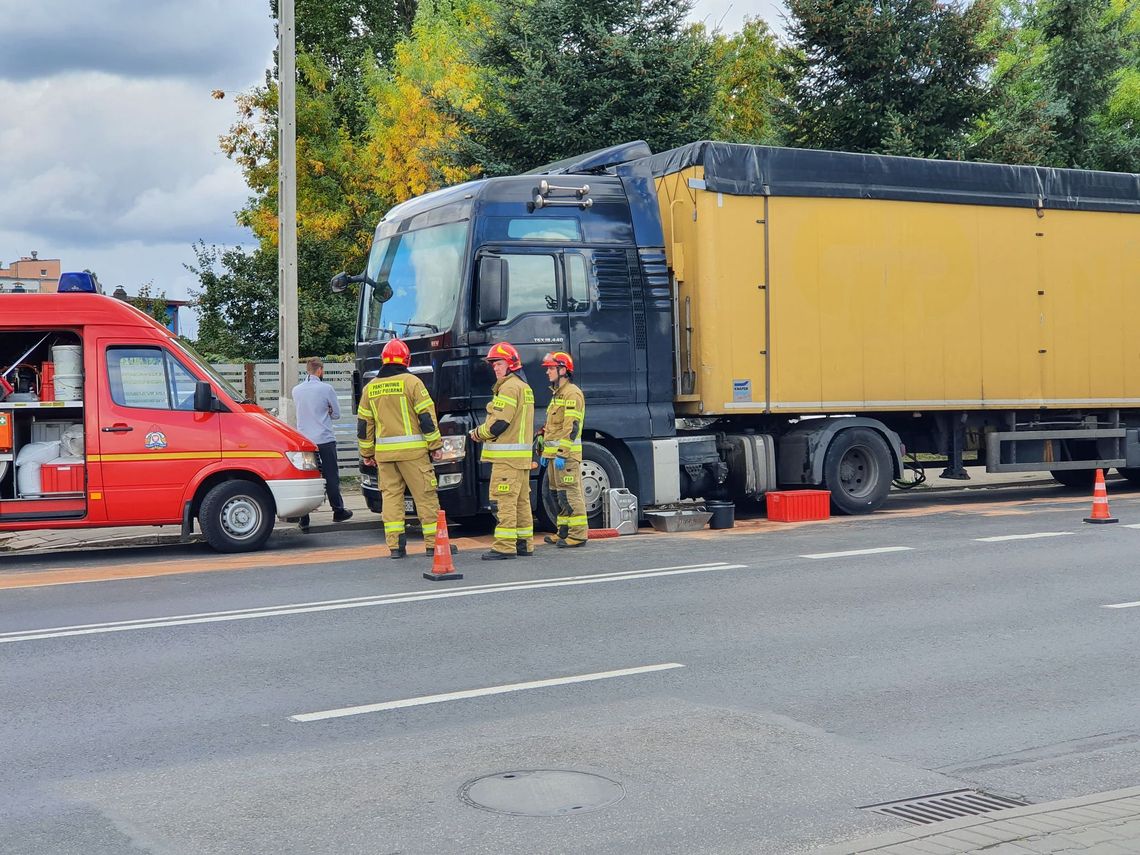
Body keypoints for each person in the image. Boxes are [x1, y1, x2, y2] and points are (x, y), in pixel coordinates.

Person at [357, 338, 453, 559]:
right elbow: (426, 417)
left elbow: (364, 425)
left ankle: (395, 547)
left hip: (385, 456)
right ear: (406, 359)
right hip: (414, 454)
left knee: (391, 499)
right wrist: (435, 445)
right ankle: (433, 544)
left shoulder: (370, 388)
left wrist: (367, 454)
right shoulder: (412, 383)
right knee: (425, 497)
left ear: (383, 360)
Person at [468, 342, 534, 560]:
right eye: (493, 364)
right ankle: (524, 543)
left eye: (498, 363)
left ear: (511, 364)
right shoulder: (524, 387)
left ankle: (505, 546)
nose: (494, 367)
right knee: (521, 502)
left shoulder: (509, 387)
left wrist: (478, 433)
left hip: (507, 460)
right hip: (521, 459)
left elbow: (499, 424)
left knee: (502, 501)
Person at [291, 356, 353, 529]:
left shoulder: (296, 390)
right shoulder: (327, 389)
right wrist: (328, 410)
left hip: (305, 441)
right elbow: (336, 414)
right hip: (324, 439)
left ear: (307, 370)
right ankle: (338, 510)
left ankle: (304, 518)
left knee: (307, 476)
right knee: (331, 476)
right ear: (320, 370)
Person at [538, 351, 588, 548]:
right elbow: (554, 427)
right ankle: (564, 531)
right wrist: (546, 451)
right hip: (555, 456)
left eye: (551, 368)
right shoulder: (557, 394)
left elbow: (571, 427)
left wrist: (561, 453)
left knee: (570, 493)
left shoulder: (572, 393)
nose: (548, 372)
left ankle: (578, 534)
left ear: (563, 370)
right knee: (557, 495)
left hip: (566, 457)